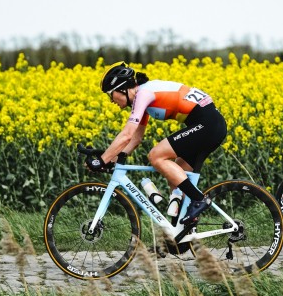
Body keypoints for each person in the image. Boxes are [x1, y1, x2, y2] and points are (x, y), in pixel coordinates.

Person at [85, 61, 227, 224]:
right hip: (209, 125)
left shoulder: (143, 94)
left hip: (207, 124)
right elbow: (135, 139)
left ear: (122, 88)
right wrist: (112, 160)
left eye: (110, 94)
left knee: (156, 156)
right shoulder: (143, 96)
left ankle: (199, 199)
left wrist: (101, 159)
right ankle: (181, 235)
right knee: (176, 176)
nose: (111, 100)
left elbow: (126, 134)